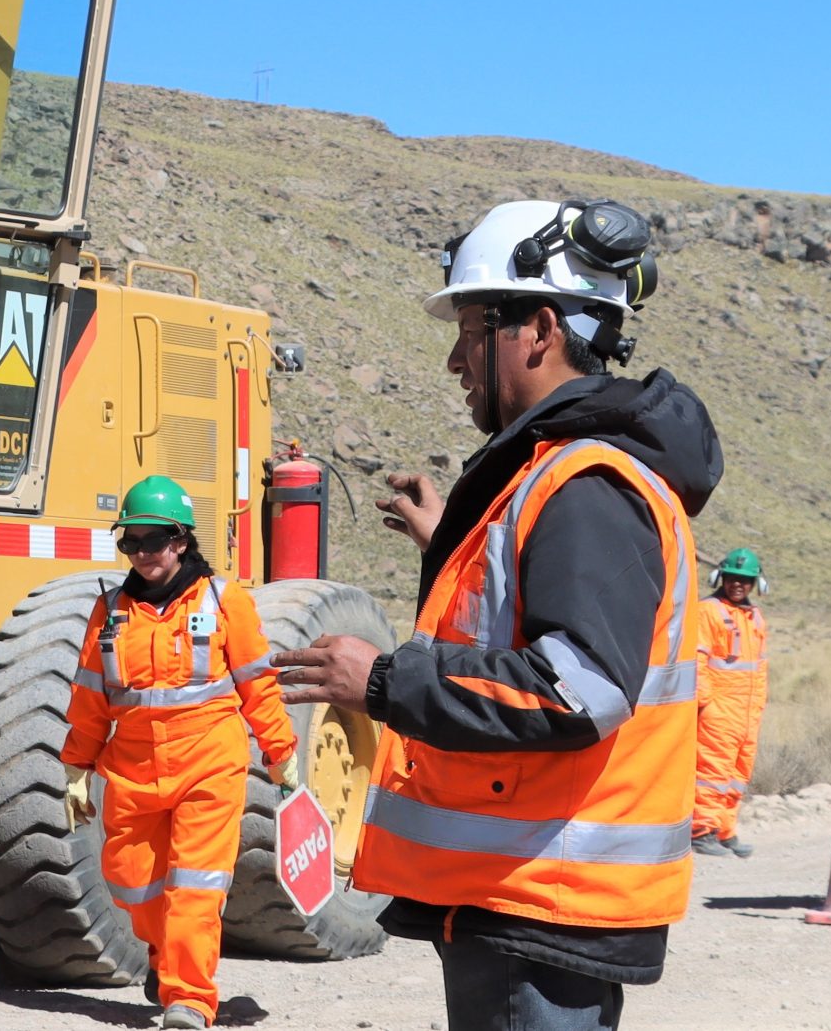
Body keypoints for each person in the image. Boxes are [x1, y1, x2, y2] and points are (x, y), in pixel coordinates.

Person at [276, 198, 722, 1031]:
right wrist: (447, 538)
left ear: (539, 329)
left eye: (472, 326)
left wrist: (381, 680)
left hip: (541, 905)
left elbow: (578, 688)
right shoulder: (556, 477)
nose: (455, 358)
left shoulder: (585, 486)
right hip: (523, 895)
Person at [58, 476, 300, 1030]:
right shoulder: (110, 610)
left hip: (209, 762)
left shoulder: (223, 600)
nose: (143, 553)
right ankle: (163, 957)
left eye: (155, 540)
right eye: (132, 542)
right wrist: (76, 767)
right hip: (133, 768)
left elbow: (257, 683)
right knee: (132, 881)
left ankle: (188, 999)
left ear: (182, 540)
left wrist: (279, 750)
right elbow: (91, 696)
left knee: (194, 886)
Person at [689, 548, 770, 860]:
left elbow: (759, 667)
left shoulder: (755, 617)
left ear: (756, 584)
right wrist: (706, 703)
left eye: (746, 580)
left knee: (738, 773)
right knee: (712, 771)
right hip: (720, 710)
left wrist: (759, 704)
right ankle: (701, 830)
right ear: (720, 578)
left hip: (748, 712)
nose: (739, 584)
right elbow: (696, 659)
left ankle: (725, 830)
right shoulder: (708, 611)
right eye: (733, 578)